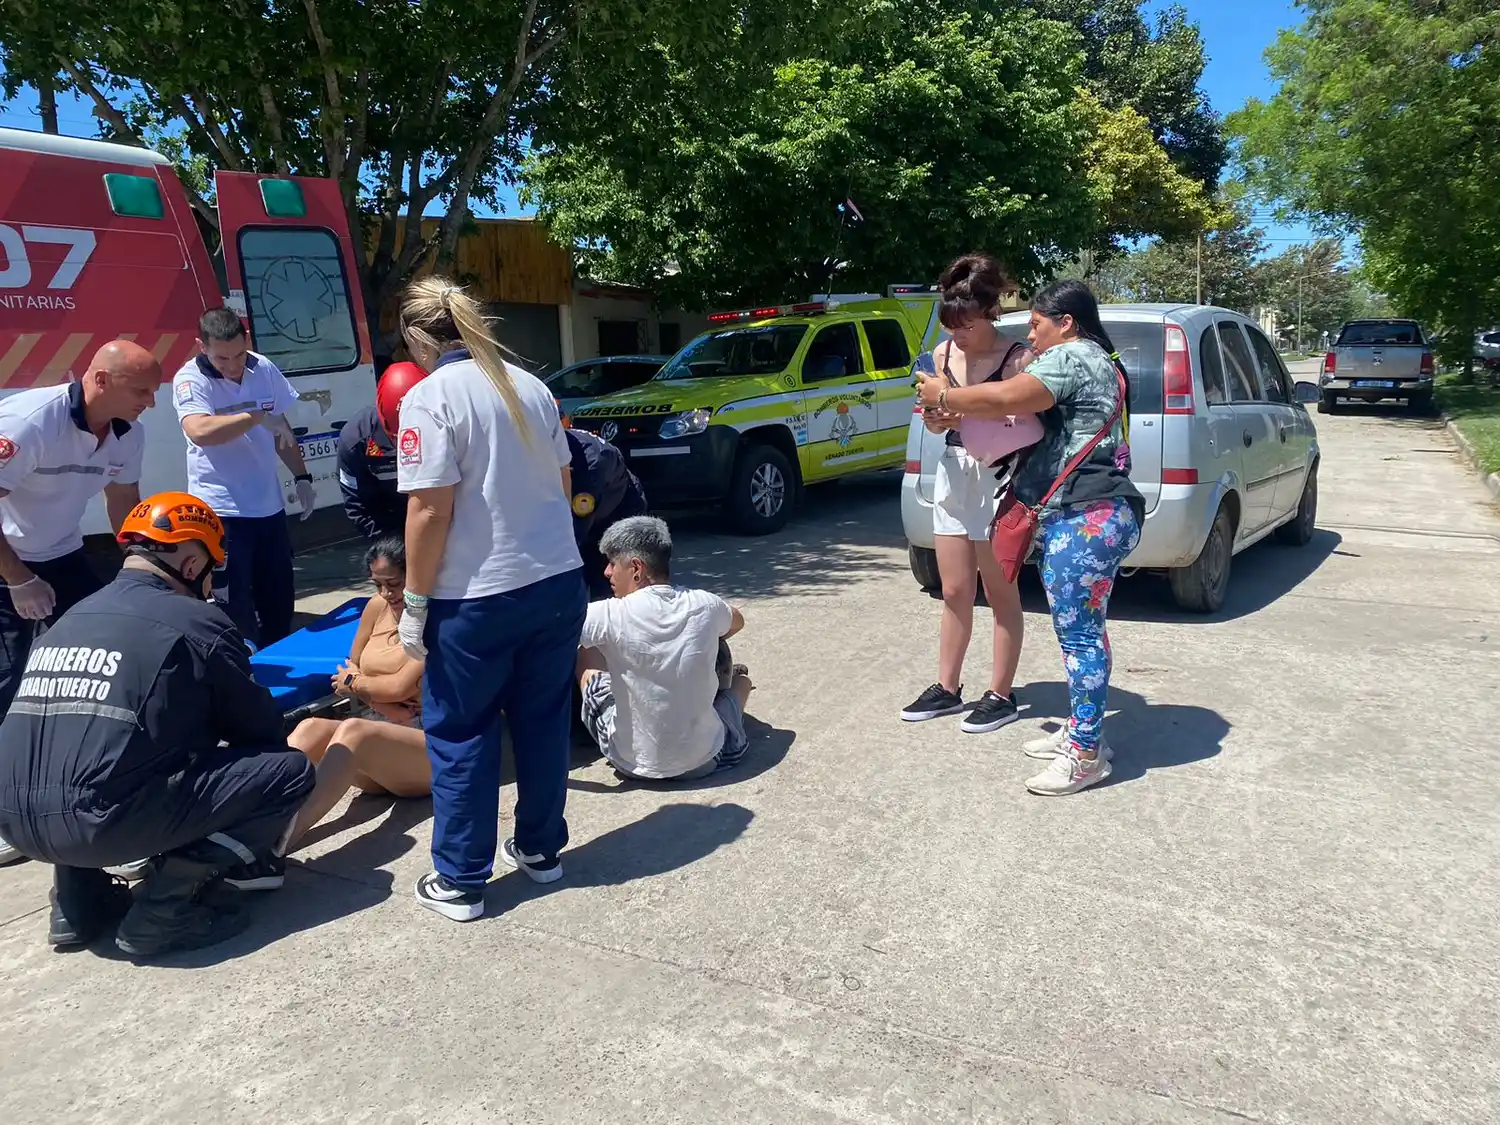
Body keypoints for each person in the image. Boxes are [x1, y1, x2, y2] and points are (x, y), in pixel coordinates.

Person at [0, 492, 352, 956]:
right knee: (286, 773)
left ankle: (75, 904)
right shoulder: (196, 621)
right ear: (191, 564)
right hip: (97, 824)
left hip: (12, 819)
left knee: (81, 756)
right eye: (211, 567)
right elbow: (259, 733)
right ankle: (164, 909)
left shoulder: (72, 618)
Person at [394, 277, 587, 923]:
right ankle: (540, 849)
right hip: (555, 579)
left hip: (477, 595)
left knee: (462, 731)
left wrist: (415, 603)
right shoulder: (529, 386)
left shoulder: (429, 398)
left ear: (419, 338)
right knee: (540, 721)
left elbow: (427, 510)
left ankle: (461, 878)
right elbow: (563, 481)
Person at [918, 279, 1142, 795]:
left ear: (1066, 322)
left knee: (1081, 639)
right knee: (1086, 633)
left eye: (1037, 325)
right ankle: (1085, 732)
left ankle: (1084, 754)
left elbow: (1006, 396)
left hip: (1087, 514)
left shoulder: (1074, 356)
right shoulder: (1096, 358)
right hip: (1091, 511)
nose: (1032, 338)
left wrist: (945, 393)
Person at [0, 341, 160, 868]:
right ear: (99, 381)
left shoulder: (127, 433)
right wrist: (18, 580)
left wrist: (145, 570)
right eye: (141, 390)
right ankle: (8, 812)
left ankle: (91, 783)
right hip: (7, 558)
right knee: (10, 682)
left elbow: (123, 505)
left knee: (100, 662)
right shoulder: (30, 423)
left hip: (63, 554)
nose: (151, 402)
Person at [901, 255, 1034, 735]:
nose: (959, 335)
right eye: (952, 326)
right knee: (954, 588)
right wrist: (938, 418)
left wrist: (968, 413)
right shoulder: (941, 357)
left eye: (968, 325)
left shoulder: (1017, 357)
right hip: (955, 471)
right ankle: (947, 687)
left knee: (1001, 591)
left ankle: (1001, 694)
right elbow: (935, 419)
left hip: (1000, 477)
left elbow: (1026, 422)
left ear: (990, 314)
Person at [173, 308, 316, 649]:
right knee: (233, 601)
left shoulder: (263, 368)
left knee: (278, 597)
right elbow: (199, 430)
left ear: (247, 340)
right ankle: (243, 673)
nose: (233, 365)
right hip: (222, 509)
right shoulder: (192, 379)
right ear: (201, 346)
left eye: (238, 354)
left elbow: (281, 429)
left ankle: (282, 661)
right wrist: (254, 416)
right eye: (222, 358)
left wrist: (302, 476)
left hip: (267, 505)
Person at [578, 516, 752, 782]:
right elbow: (737, 621)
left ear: (637, 568)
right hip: (707, 760)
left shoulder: (608, 614)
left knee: (585, 654)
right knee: (740, 684)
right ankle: (734, 683)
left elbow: (552, 638)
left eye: (612, 563)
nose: (607, 573)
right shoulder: (704, 604)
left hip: (630, 762)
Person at [286, 536, 429, 801]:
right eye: (378, 585)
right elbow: (348, 669)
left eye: (394, 584)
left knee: (355, 730)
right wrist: (382, 704)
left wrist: (358, 685)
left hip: (423, 740)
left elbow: (399, 686)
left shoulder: (435, 617)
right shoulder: (377, 606)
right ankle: (245, 812)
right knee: (309, 728)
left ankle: (282, 837)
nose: (386, 593)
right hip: (381, 729)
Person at [337, 362, 426, 541]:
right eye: (395, 438)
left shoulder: (449, 425)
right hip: (388, 525)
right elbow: (358, 506)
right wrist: (392, 549)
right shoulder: (356, 440)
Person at [567, 427, 648, 599]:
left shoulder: (589, 464)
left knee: (611, 586)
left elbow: (574, 535)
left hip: (619, 514)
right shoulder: (551, 443)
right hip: (595, 511)